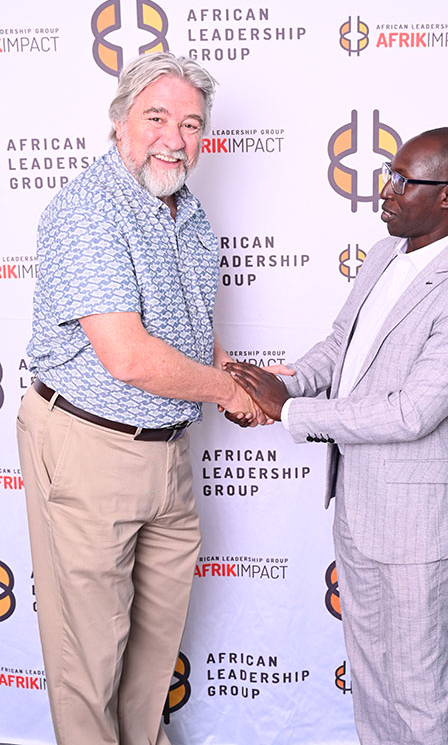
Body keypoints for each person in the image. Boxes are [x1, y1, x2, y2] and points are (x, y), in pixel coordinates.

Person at [226, 128, 448, 745]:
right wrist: (278, 384)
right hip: (357, 503)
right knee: (371, 679)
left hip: (416, 523)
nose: (387, 191)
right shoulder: (384, 255)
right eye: (389, 175)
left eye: (404, 181)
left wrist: (288, 413)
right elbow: (339, 347)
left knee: (416, 692)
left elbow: (411, 413)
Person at [16, 52, 261, 745]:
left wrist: (240, 378)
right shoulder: (90, 210)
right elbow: (126, 356)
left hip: (168, 451)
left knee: (151, 658)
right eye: (156, 117)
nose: (174, 139)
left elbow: (188, 325)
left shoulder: (187, 208)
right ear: (120, 121)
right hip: (91, 445)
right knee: (88, 659)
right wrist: (227, 390)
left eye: (191, 124)